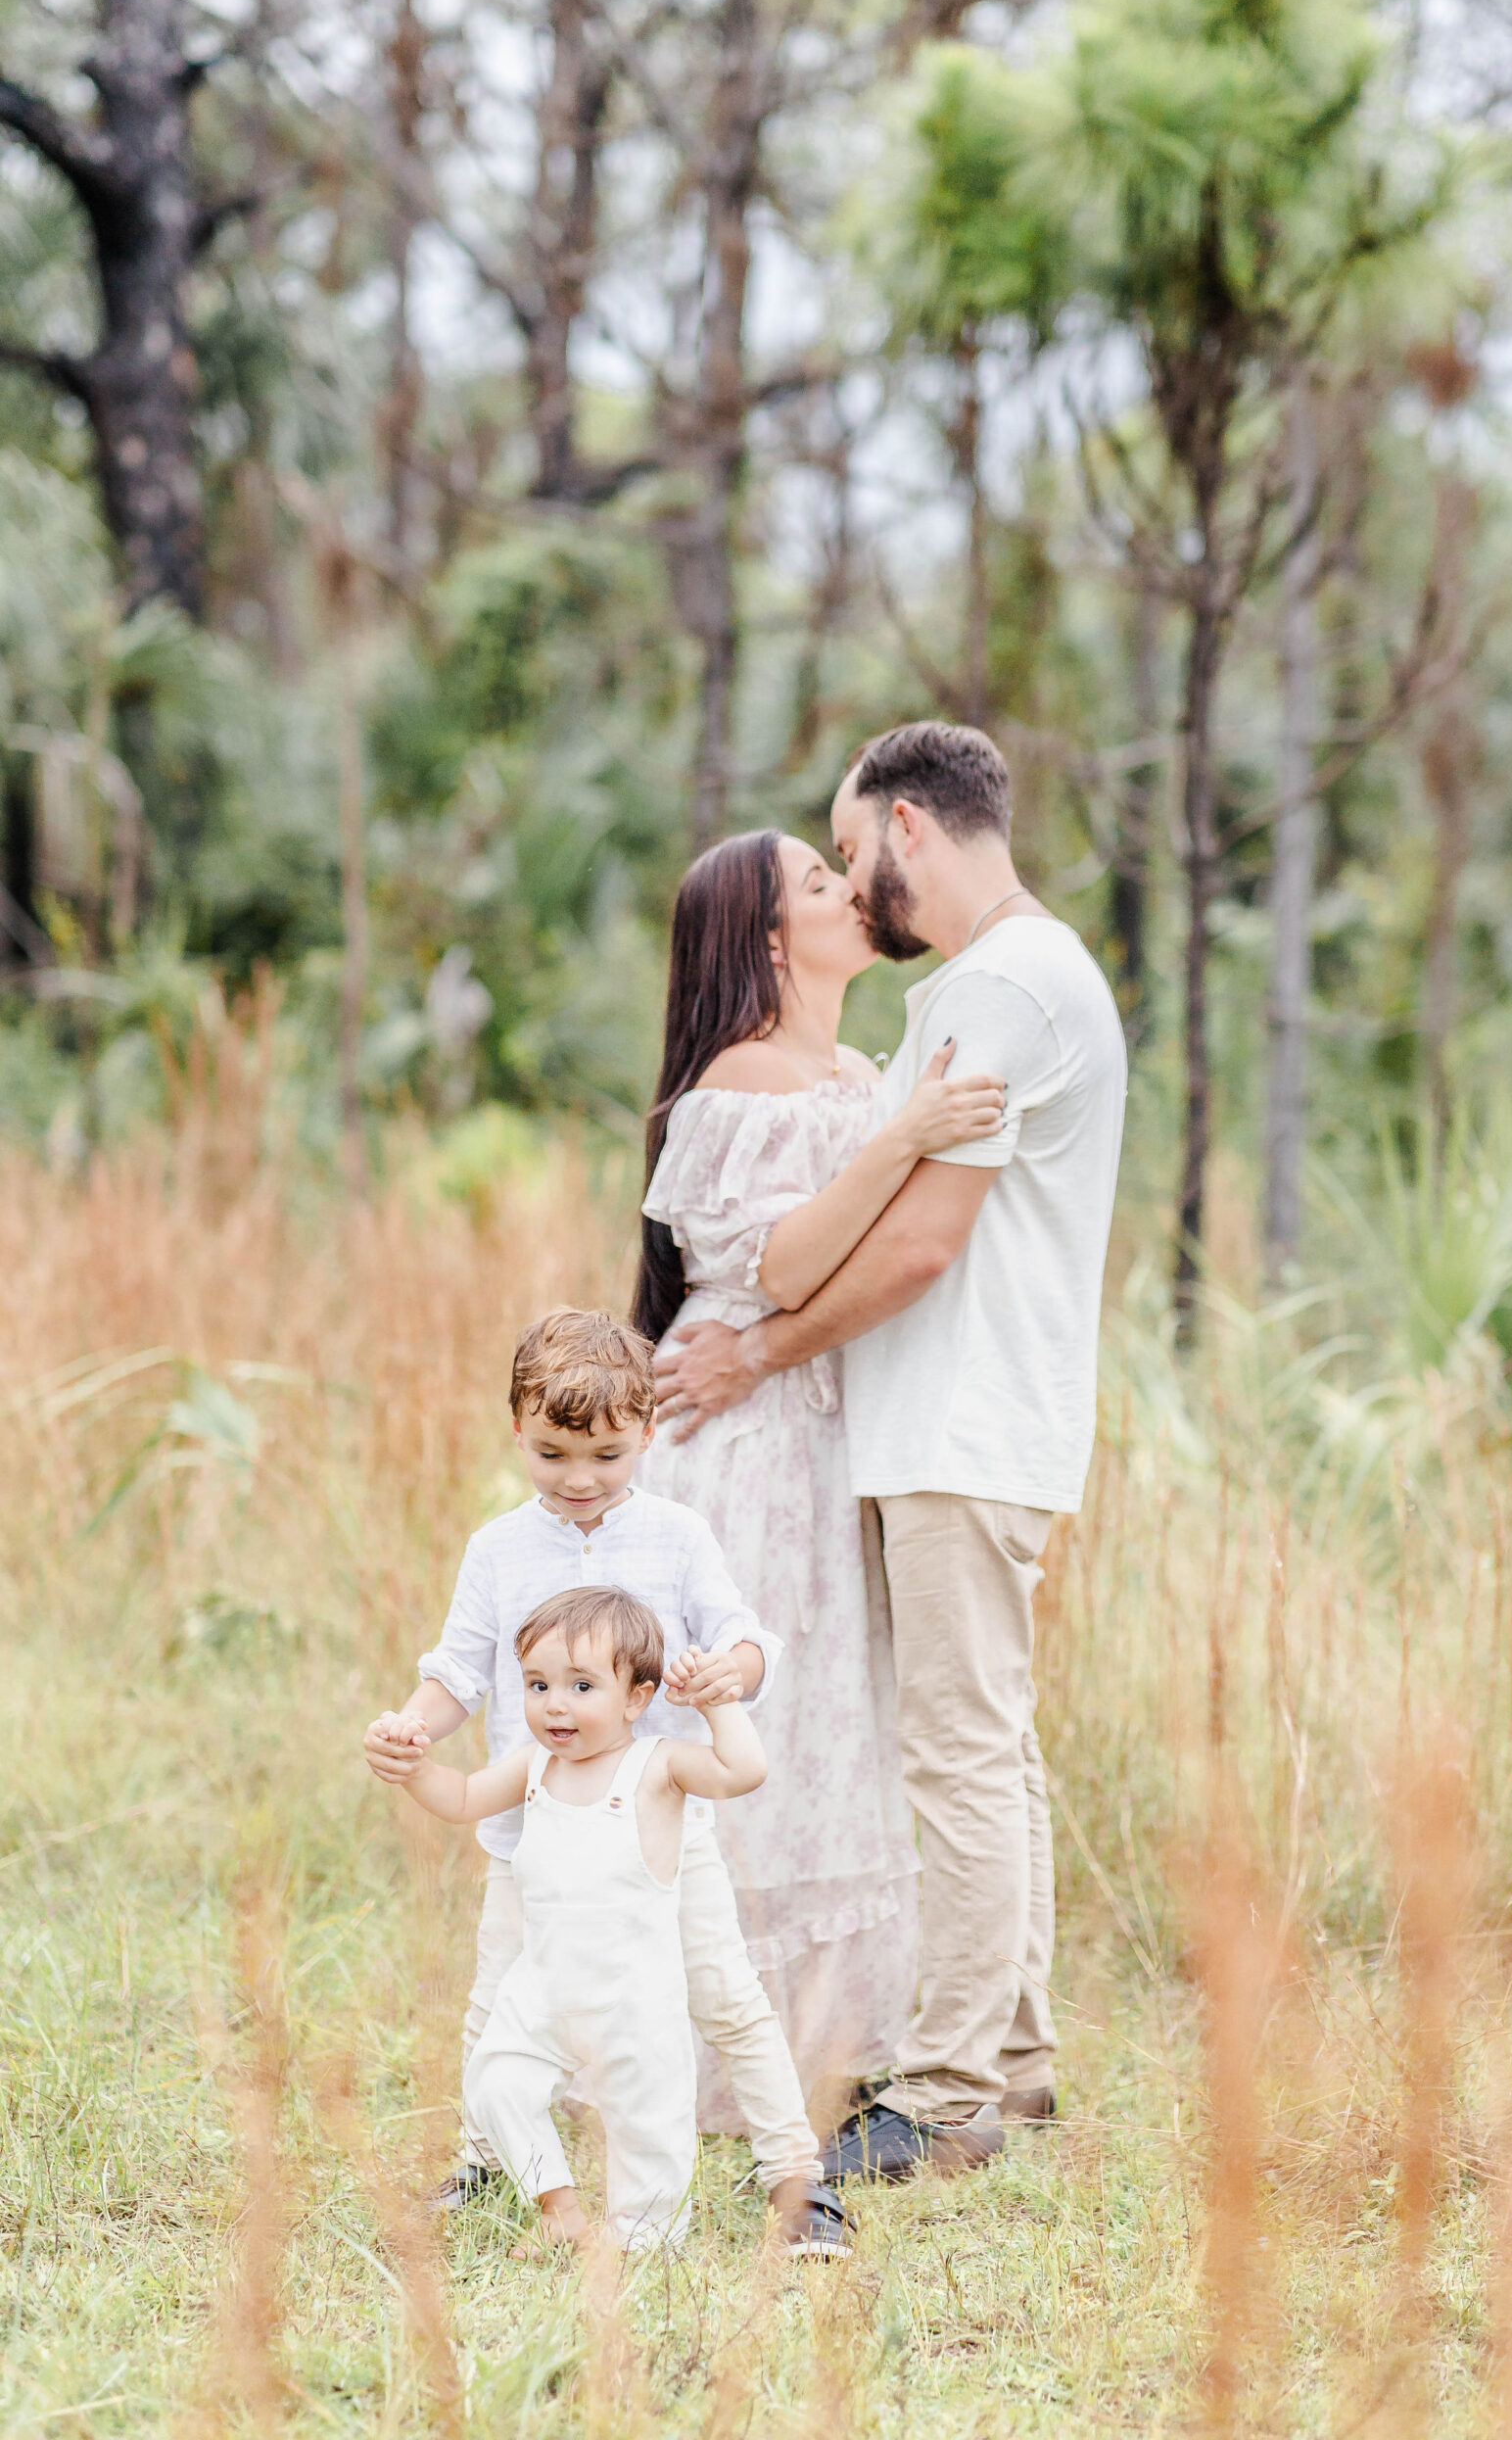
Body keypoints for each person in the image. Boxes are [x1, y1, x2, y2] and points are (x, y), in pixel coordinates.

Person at [653, 721, 1127, 2183]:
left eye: (852, 849)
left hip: (964, 1423)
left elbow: (920, 1243)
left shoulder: (1000, 989)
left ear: (907, 830)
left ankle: (942, 2099)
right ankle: (1016, 2065)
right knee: (987, 1748)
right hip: (950, 1425)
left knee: (960, 1757)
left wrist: (752, 1350)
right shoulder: (989, 985)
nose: (853, 883)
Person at [632, 827, 1006, 2121]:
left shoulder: (851, 1067)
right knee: (752, 1721)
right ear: (767, 940)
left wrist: (897, 1122)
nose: (849, 891)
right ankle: (714, 2052)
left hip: (825, 1427)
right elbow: (785, 1267)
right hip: (739, 1443)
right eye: (812, 882)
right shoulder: (738, 1084)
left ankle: (819, 2049)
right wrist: (903, 1132)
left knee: (832, 1724)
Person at [361, 1306, 849, 2256]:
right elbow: (459, 1670)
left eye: (607, 1458)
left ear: (646, 1437)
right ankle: (486, 2161)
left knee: (726, 1994)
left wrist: (723, 1677)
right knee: (497, 1997)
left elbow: (747, 1637)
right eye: (551, 1456)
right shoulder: (498, 1548)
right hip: (532, 1836)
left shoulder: (675, 1535)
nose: (579, 1482)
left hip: (660, 1838)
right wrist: (409, 1732)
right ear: (517, 1432)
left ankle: (795, 2177)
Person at [389, 1583, 765, 2254]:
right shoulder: (535, 1766)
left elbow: (742, 1770)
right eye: (537, 1685)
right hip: (545, 1987)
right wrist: (414, 1766)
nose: (554, 1703)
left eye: (581, 1686)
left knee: (648, 2137)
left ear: (637, 1698)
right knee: (496, 2084)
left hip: (632, 1998)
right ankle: (558, 2208)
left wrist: (716, 1704)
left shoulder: (658, 1766)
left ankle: (635, 2245)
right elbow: (463, 1797)